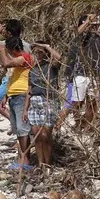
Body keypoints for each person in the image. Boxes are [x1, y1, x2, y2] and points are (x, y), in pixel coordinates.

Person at [0, 36, 34, 171]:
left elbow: (6, 64)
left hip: (21, 95)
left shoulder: (24, 57)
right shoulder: (18, 59)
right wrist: (6, 95)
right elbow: (13, 76)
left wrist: (2, 51)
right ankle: (22, 158)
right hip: (14, 95)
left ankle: (26, 160)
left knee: (23, 129)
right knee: (18, 130)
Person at [64, 13, 100, 126]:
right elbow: (77, 33)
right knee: (76, 102)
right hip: (81, 74)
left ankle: (86, 127)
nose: (94, 27)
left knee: (92, 104)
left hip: (95, 75)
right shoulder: (82, 38)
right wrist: (88, 21)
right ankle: (67, 122)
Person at [26, 41, 60, 170]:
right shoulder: (32, 70)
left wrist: (47, 46)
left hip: (49, 101)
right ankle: (41, 164)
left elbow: (59, 58)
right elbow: (29, 91)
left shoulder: (51, 66)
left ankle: (48, 163)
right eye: (36, 52)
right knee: (37, 135)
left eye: (40, 52)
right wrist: (25, 110)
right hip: (35, 102)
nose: (38, 55)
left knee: (46, 135)